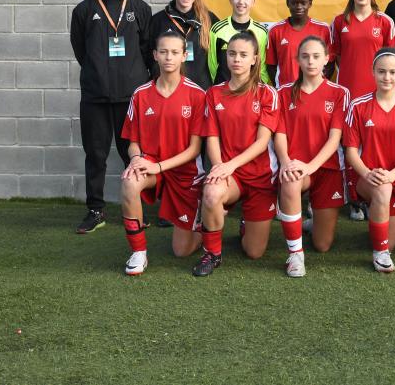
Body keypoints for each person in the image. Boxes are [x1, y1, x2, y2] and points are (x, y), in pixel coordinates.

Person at [70, 0, 152, 234]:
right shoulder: (84, 9)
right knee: (95, 154)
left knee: (135, 154)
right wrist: (99, 74)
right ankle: (95, 210)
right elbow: (81, 51)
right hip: (95, 96)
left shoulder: (140, 8)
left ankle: (139, 206)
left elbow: (146, 50)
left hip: (131, 97)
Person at [192, 32, 279, 277]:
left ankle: (244, 223)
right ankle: (212, 253)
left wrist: (229, 166)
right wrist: (219, 167)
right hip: (231, 175)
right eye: (232, 54)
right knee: (212, 191)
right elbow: (212, 137)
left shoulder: (267, 94)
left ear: (254, 58)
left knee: (254, 252)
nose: (236, 59)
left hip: (261, 177)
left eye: (243, 55)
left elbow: (263, 142)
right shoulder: (214, 93)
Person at [118, 31, 206, 275]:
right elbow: (132, 142)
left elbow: (194, 150)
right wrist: (136, 159)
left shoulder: (197, 95)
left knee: (182, 250)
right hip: (151, 166)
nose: (169, 57)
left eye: (175, 52)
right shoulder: (141, 94)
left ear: (184, 56)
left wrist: (158, 166)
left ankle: (202, 224)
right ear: (155, 55)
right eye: (164, 52)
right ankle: (138, 252)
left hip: (184, 172)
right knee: (128, 181)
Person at [343, 48, 395, 273]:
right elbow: (350, 152)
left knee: (391, 241)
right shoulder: (358, 106)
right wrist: (369, 174)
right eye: (381, 72)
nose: (386, 77)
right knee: (382, 190)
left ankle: (380, 220)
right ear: (372, 72)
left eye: (392, 72)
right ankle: (380, 255)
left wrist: (391, 175)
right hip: (366, 178)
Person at [274, 36, 350, 277]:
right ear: (297, 60)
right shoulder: (284, 93)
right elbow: (279, 134)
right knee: (290, 180)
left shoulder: (339, 93)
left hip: (326, 169)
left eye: (316, 56)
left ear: (327, 59)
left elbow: (334, 139)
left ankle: (307, 222)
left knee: (323, 244)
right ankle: (295, 255)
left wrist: (311, 166)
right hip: (296, 167)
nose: (310, 61)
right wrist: (286, 162)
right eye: (305, 56)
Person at [330, 0, 395, 220]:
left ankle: (373, 194)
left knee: (373, 144)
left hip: (377, 94)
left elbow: (391, 58)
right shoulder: (339, 21)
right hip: (348, 93)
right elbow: (333, 56)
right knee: (350, 146)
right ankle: (354, 199)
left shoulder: (385, 21)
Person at [148, 0, 219, 90]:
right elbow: (149, 56)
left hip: (201, 89)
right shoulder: (158, 20)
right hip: (169, 90)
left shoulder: (209, 19)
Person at [266, 0, 332, 88]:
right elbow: (271, 65)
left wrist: (318, 86)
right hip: (286, 92)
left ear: (310, 3)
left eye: (303, 3)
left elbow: (330, 63)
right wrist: (280, 87)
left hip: (315, 90)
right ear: (288, 3)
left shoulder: (323, 29)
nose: (299, 6)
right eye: (294, 3)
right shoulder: (275, 30)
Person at [208, 0, 269, 85]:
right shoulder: (217, 29)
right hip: (224, 90)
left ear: (253, 2)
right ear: (230, 0)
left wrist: (261, 86)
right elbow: (212, 64)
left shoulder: (262, 32)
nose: (241, 2)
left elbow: (262, 67)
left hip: (251, 91)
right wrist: (218, 85)